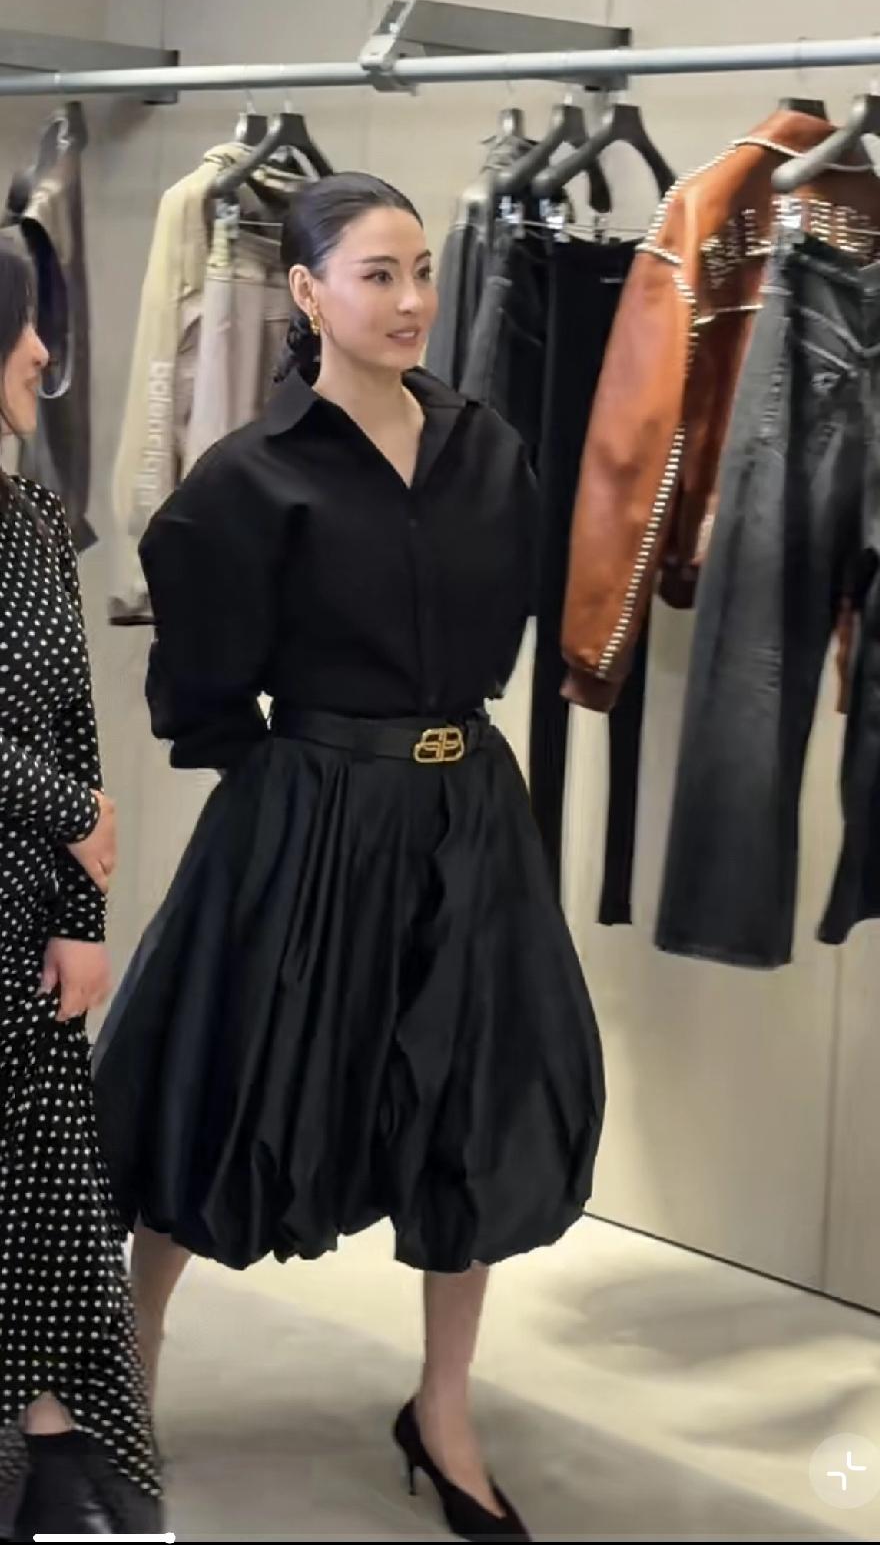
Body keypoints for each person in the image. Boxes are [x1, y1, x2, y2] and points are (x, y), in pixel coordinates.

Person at [93, 173, 604, 1542]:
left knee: (473, 1100)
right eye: (378, 274)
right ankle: (131, 1358)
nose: (413, 299)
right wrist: (304, 778)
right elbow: (199, 695)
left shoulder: (490, 449)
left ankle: (443, 1408)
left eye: (421, 270)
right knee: (222, 1083)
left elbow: (504, 628)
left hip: (468, 816)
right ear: (307, 293)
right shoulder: (246, 478)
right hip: (307, 815)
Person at [0, 234, 162, 1539]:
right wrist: (72, 815)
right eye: (21, 327)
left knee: (53, 1189)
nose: (44, 353)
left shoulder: (35, 521)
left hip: (29, 917)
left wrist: (86, 914)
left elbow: (73, 724)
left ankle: (56, 1438)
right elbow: (63, 786)